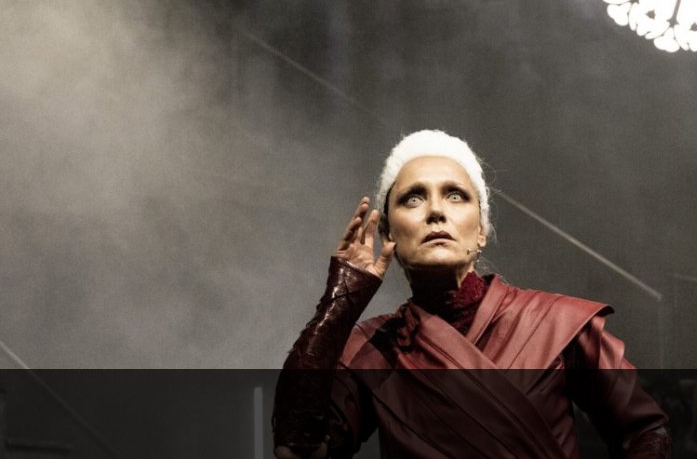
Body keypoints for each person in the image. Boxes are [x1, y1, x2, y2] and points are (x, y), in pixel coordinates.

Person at [272, 130, 671, 458]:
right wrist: (342, 300)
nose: (435, 211)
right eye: (413, 198)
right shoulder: (372, 349)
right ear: (388, 234)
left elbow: (645, 431)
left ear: (480, 230)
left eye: (455, 195)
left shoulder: (557, 323)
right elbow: (297, 448)